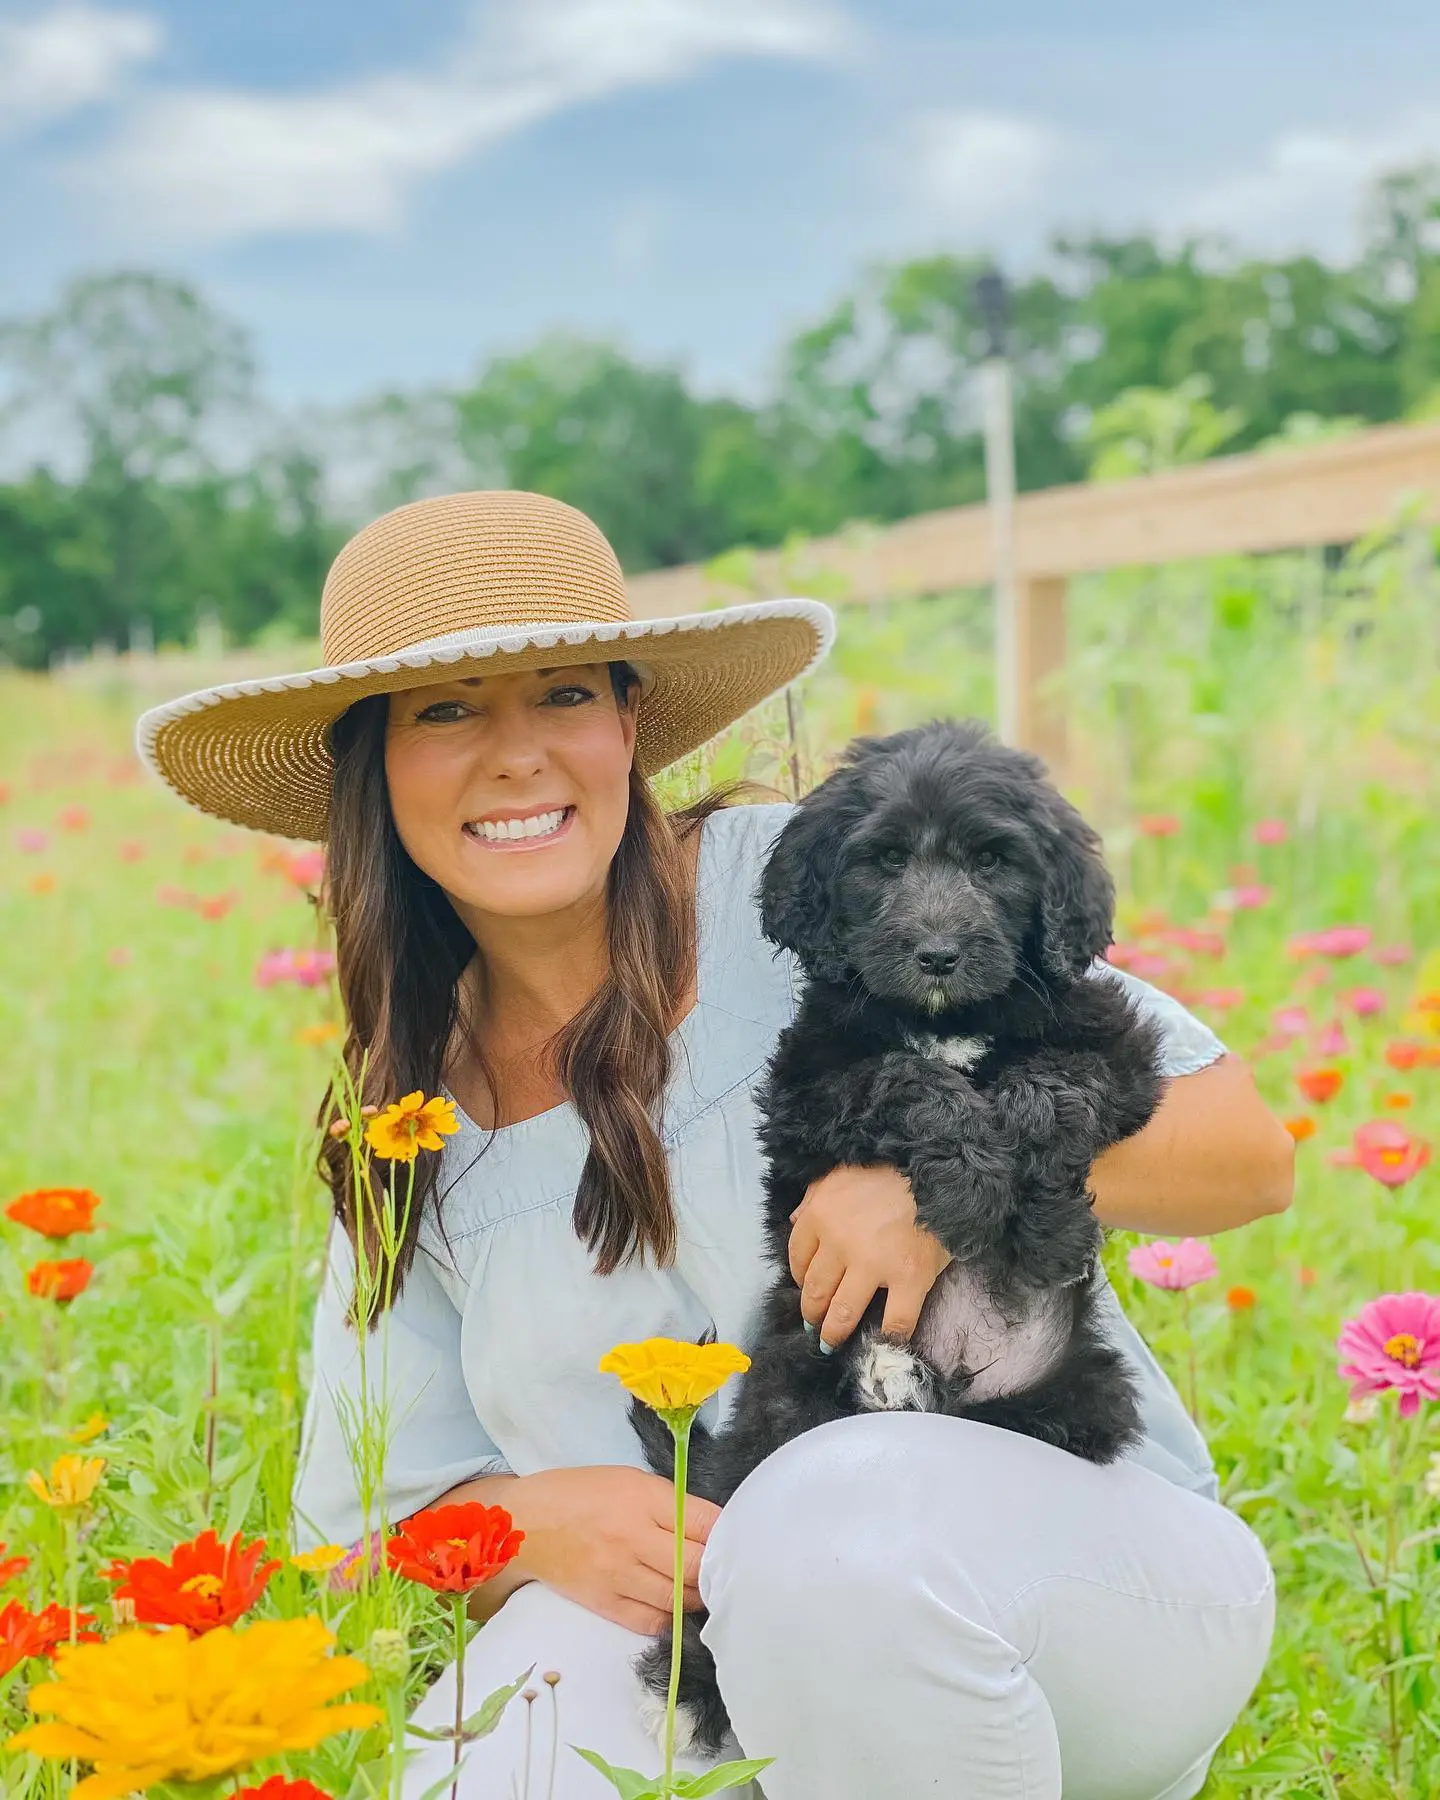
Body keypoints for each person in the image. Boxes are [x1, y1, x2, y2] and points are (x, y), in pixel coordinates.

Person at [136, 490, 1292, 1800]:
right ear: (372, 764)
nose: (517, 756)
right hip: (718, 1635)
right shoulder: (404, 1114)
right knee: (485, 1773)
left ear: (628, 723)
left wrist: (942, 1189)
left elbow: (1246, 1150)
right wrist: (521, 1521)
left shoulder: (811, 889)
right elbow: (353, 1543)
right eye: (445, 709)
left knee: (828, 1521)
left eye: (564, 695)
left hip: (1081, 1583)